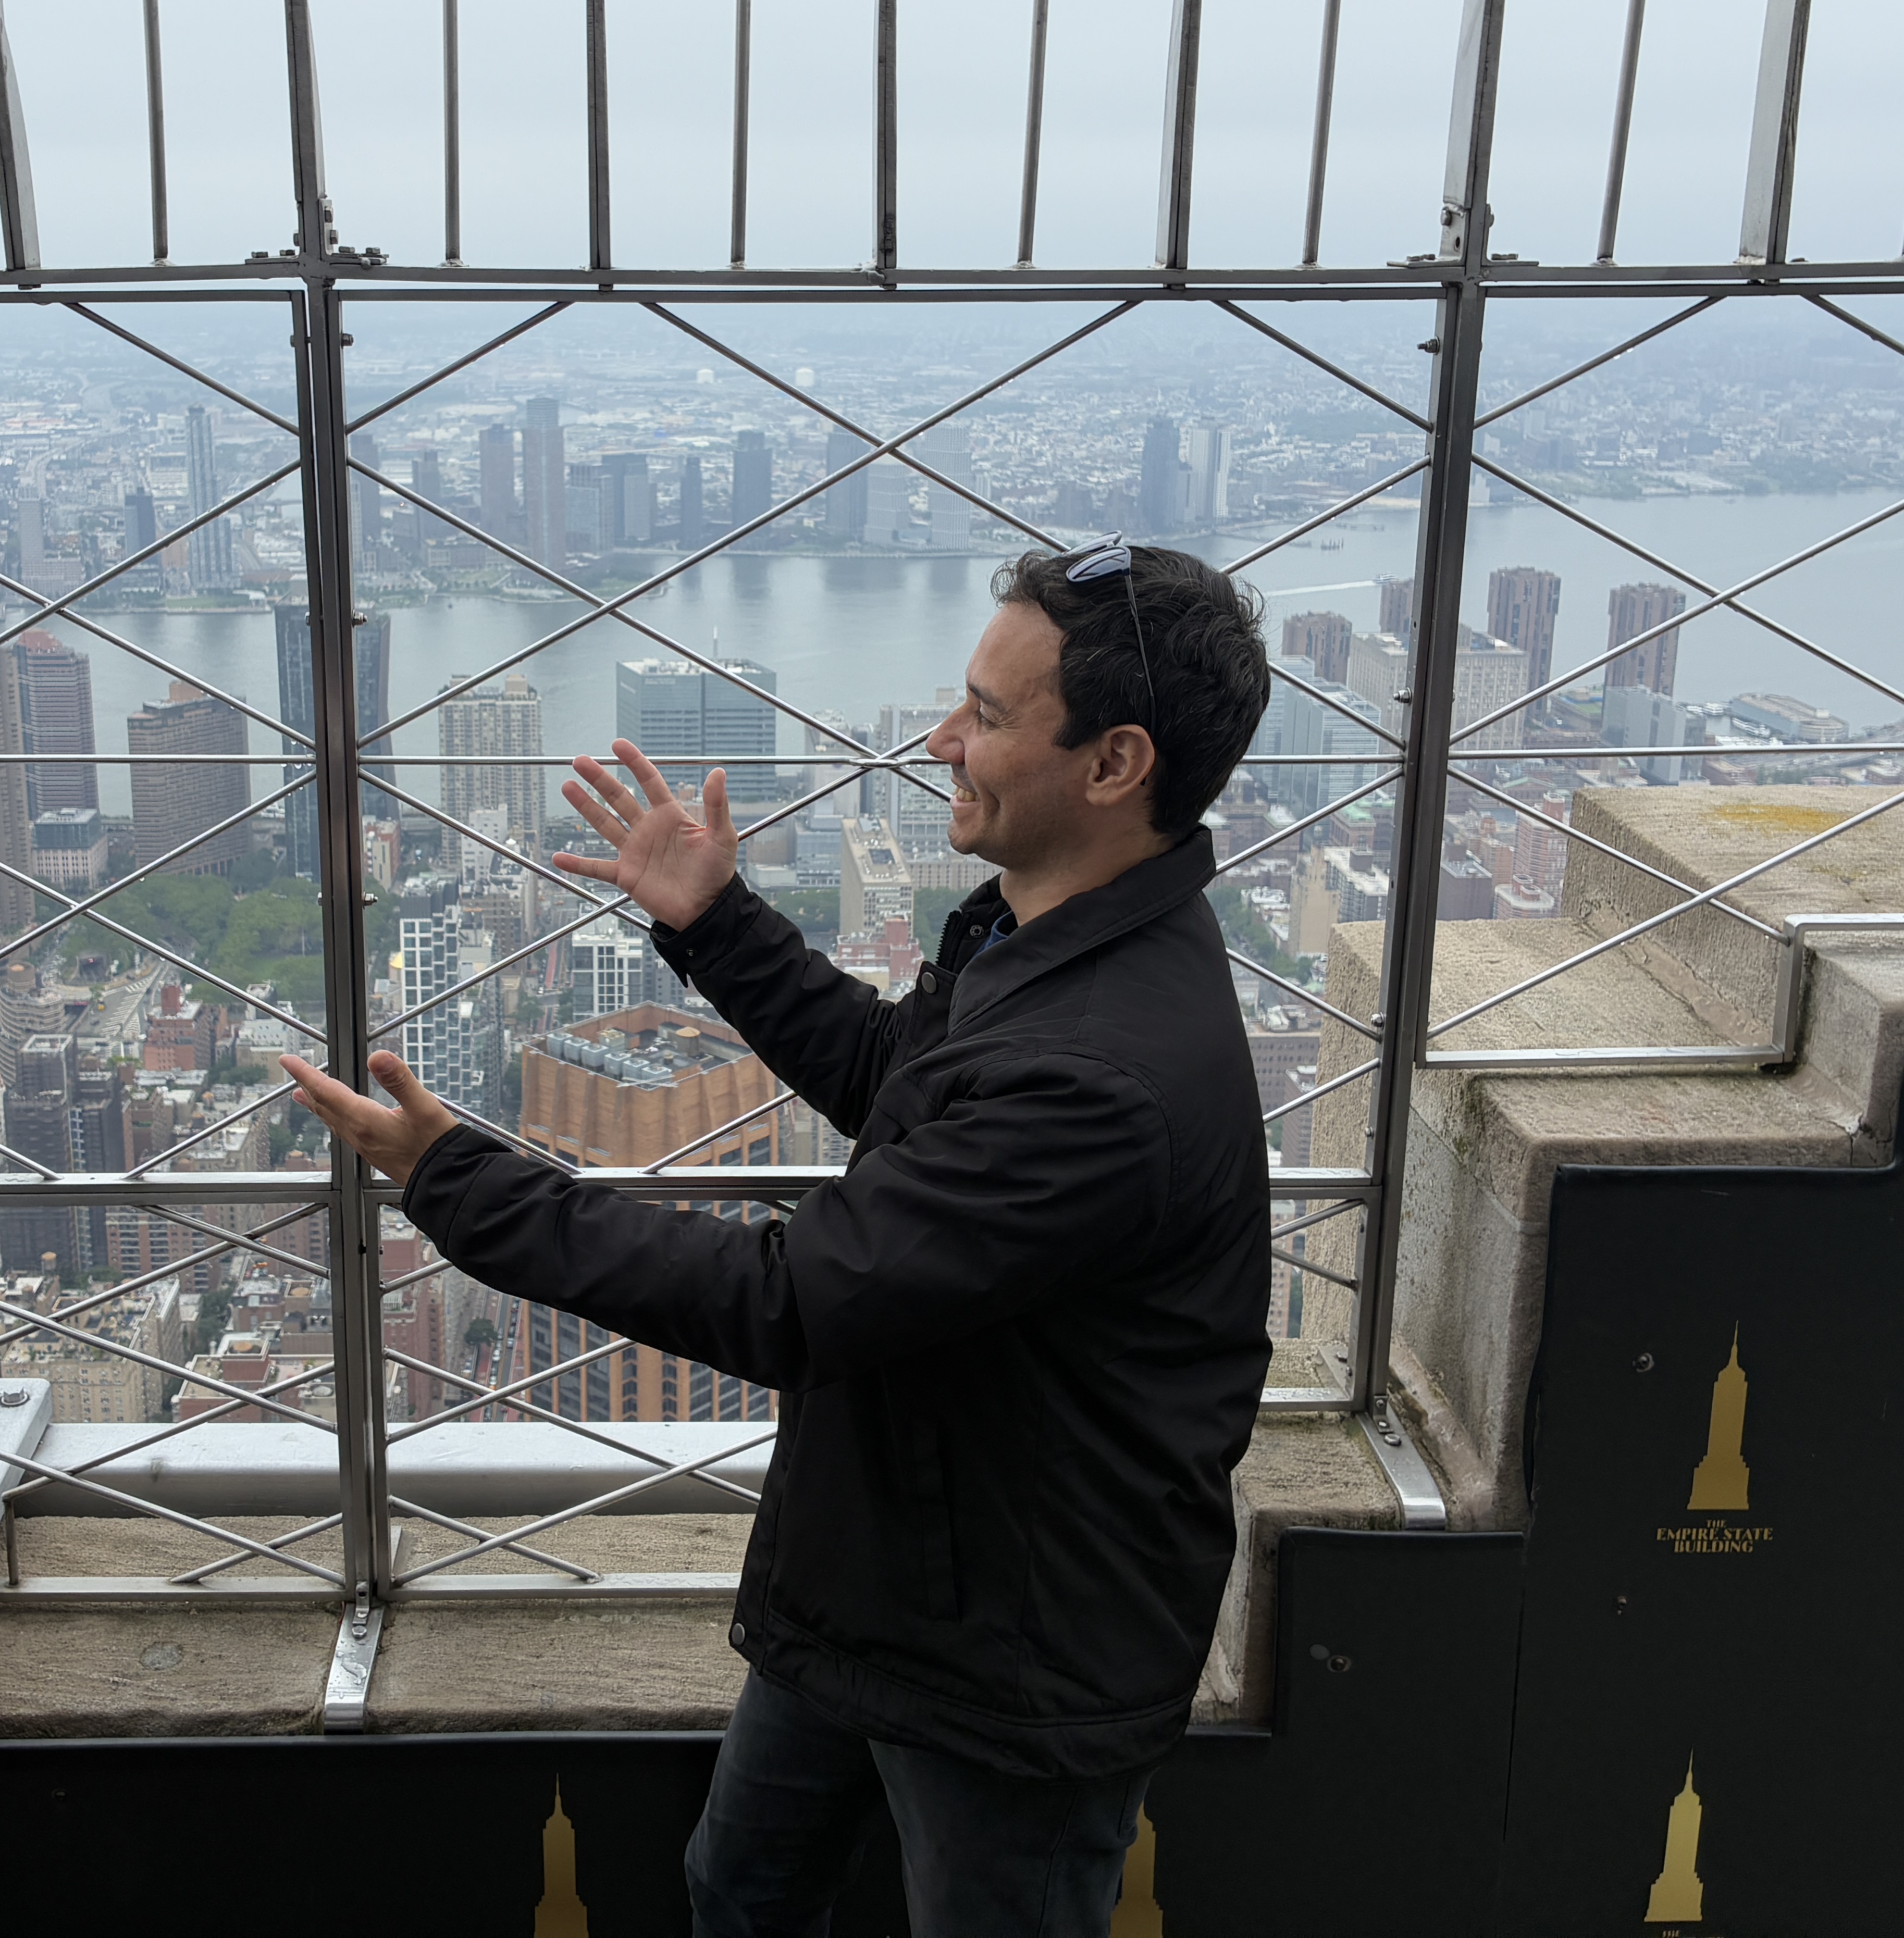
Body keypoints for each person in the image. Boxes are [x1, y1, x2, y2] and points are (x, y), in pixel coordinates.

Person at [282, 542, 1275, 1937]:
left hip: (1018, 1651)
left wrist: (462, 1183)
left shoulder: (1103, 1073)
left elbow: (789, 1299)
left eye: (988, 714)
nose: (942, 738)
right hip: (887, 1572)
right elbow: (897, 1080)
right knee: (738, 1892)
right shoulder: (1039, 937)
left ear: (1115, 764)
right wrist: (716, 923)